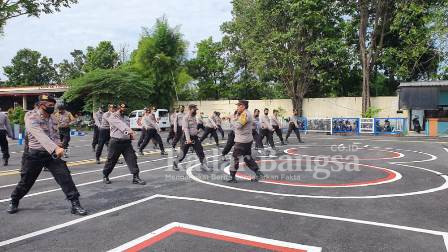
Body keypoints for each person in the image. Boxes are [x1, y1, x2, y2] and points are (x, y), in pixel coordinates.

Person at [7, 94, 87, 216]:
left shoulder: (53, 118)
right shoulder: (31, 116)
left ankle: (75, 203)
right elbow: (39, 135)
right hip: (35, 155)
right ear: (41, 105)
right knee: (26, 182)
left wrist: (59, 146)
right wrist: (55, 148)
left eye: (53, 105)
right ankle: (14, 200)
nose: (52, 108)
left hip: (51, 155)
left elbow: (55, 136)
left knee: (65, 176)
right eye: (49, 105)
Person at [102, 103, 145, 185]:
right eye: (121, 108)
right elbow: (120, 125)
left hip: (126, 143)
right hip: (115, 142)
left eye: (125, 109)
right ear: (117, 108)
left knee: (132, 158)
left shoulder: (126, 117)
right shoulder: (112, 116)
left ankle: (135, 177)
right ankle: (105, 175)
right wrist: (130, 131)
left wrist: (130, 135)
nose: (123, 110)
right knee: (111, 160)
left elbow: (126, 129)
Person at [228, 100, 264, 183]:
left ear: (243, 106)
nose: (237, 108)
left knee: (235, 158)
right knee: (247, 158)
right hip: (246, 140)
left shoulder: (245, 114)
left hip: (242, 141)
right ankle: (258, 173)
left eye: (238, 106)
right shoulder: (244, 113)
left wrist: (232, 119)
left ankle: (232, 177)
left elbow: (238, 125)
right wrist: (235, 116)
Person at [173, 104, 209, 171]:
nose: (196, 111)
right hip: (187, 138)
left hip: (194, 137)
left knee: (200, 150)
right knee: (182, 153)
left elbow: (194, 127)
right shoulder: (185, 117)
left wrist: (197, 132)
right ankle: (175, 163)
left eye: (196, 109)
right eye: (194, 109)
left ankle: (203, 164)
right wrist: (188, 139)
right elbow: (185, 128)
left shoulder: (194, 116)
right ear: (190, 109)